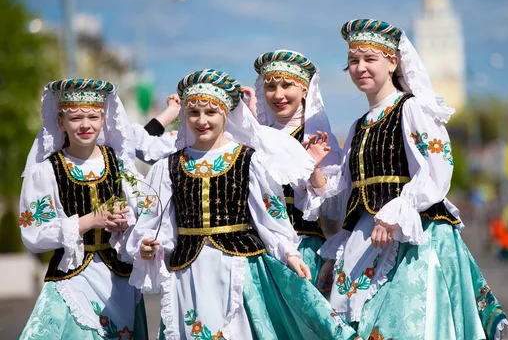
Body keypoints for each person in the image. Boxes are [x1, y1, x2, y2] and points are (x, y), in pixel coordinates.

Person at [126, 69, 359, 339]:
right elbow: (154, 222)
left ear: (226, 113)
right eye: (194, 113)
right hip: (189, 273)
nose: (202, 121)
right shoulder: (168, 167)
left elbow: (270, 215)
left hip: (237, 267)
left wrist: (289, 253)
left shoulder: (248, 160)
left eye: (211, 112)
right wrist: (147, 246)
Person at [317, 19, 508, 339]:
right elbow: (348, 191)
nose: (360, 68)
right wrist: (314, 171)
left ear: (393, 62)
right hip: (365, 239)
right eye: (353, 61)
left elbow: (436, 168)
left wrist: (397, 211)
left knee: (405, 325)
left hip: (410, 235)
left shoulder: (412, 109)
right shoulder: (358, 125)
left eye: (370, 59)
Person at [19, 79, 147, 339]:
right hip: (72, 277)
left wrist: (125, 222)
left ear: (103, 119)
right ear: (60, 122)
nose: (85, 124)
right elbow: (33, 233)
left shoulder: (120, 165)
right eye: (76, 117)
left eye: (93, 116)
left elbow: (145, 212)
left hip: (117, 279)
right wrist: (90, 220)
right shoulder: (47, 170)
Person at [249, 49, 343, 285]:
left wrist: (312, 168)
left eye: (286, 85)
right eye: (271, 87)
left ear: (304, 90)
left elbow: (332, 209)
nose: (278, 94)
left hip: (305, 247)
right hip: (260, 249)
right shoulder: (257, 139)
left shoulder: (319, 138)